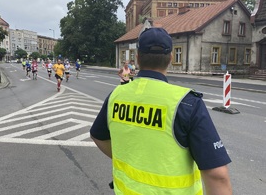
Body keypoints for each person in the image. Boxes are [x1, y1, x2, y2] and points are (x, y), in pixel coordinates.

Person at [90, 28, 232, 195]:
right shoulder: (186, 102)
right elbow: (217, 176)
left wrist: (127, 159)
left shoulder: (116, 95)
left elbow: (97, 136)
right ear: (171, 58)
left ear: (137, 58)